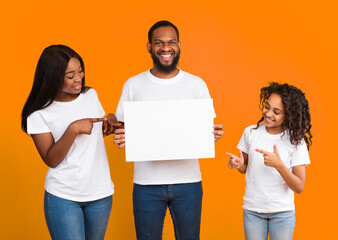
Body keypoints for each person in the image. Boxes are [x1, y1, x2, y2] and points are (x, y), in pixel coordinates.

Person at [113, 20, 224, 240]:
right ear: (149, 47)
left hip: (188, 182)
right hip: (146, 184)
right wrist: (121, 136)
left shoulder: (196, 84)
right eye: (159, 43)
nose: (166, 48)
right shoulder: (133, 85)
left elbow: (206, 128)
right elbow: (122, 128)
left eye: (171, 42)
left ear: (179, 45)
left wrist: (213, 134)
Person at [21, 45, 119, 240]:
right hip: (63, 196)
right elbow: (51, 159)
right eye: (70, 75)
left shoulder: (90, 95)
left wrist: (111, 121)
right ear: (52, 77)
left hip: (100, 193)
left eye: (80, 71)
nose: (79, 78)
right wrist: (72, 129)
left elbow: (97, 131)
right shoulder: (39, 113)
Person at [226, 82, 313, 240]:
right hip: (253, 210)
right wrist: (237, 164)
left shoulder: (295, 141)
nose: (268, 114)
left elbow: (299, 186)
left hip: (282, 213)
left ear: (289, 115)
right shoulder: (250, 132)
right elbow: (244, 167)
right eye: (267, 107)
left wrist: (279, 165)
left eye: (277, 111)